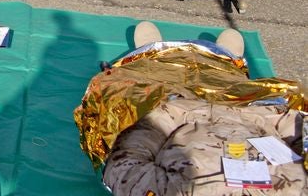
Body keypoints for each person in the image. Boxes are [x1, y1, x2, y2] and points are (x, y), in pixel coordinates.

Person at [75, 21, 306, 195]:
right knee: (224, 79)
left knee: (150, 81)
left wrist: (178, 114)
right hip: (245, 109)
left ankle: (149, 50)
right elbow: (291, 125)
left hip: (176, 110)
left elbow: (127, 163)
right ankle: (226, 56)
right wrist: (256, 114)